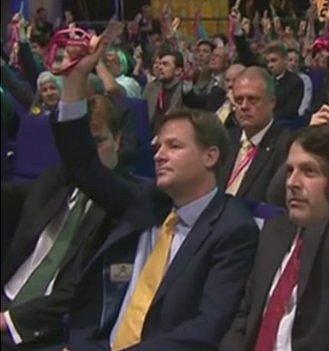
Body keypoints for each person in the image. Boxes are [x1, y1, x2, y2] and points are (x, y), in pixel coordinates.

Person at [48, 21, 259, 350]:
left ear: (210, 156)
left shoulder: (233, 229)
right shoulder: (148, 203)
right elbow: (82, 165)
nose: (159, 155)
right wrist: (75, 79)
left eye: (174, 147)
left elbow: (205, 327)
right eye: (158, 147)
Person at [0, 95, 134, 350]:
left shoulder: (127, 205)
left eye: (97, 142)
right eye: (80, 145)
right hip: (7, 295)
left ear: (117, 141)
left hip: (48, 326)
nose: (88, 155)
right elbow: (14, 194)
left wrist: (9, 320)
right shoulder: (58, 178)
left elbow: (83, 290)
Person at [221, 123, 329, 351]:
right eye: (290, 170)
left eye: (309, 171)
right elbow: (244, 317)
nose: (292, 183)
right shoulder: (274, 232)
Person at [219, 67, 290, 203]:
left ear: (272, 103)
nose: (244, 106)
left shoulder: (285, 146)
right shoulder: (225, 140)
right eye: (239, 100)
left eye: (253, 100)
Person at [143, 50, 184, 132]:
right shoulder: (151, 87)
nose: (160, 67)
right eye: (160, 64)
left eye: (165, 64)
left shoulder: (185, 92)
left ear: (178, 70)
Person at [264, 43, 304, 120]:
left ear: (285, 60)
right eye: (268, 62)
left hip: (286, 126)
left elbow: (290, 111)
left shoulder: (295, 82)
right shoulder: (265, 80)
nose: (270, 65)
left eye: (273, 61)